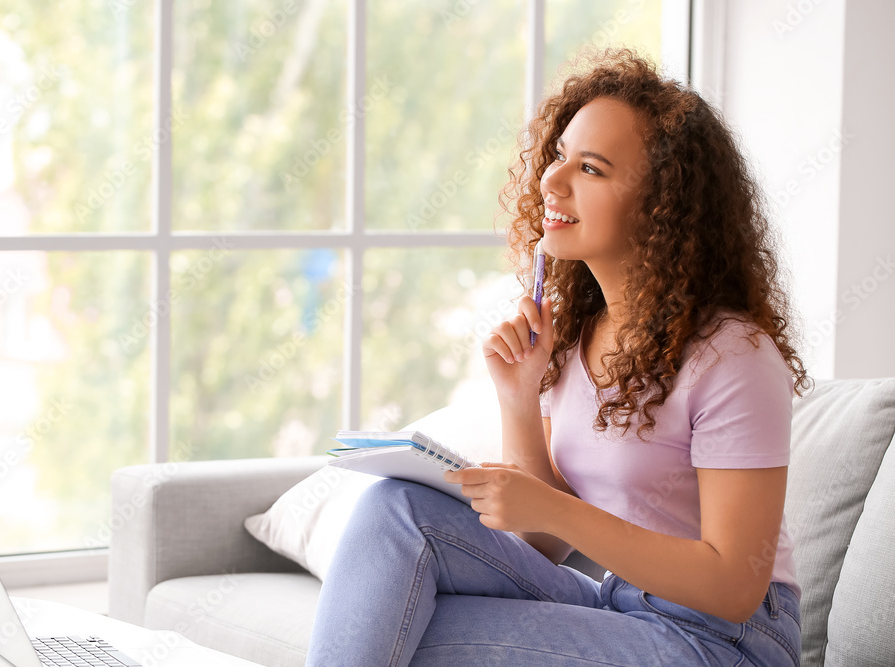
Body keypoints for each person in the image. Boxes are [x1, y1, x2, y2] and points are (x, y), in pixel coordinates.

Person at [306, 48, 808, 666]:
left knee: (394, 627)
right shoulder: (578, 336)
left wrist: (555, 509)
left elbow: (734, 587)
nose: (551, 179)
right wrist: (519, 398)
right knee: (396, 512)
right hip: (626, 607)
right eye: (559, 156)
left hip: (727, 642)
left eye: (591, 169)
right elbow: (541, 542)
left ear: (663, 205)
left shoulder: (733, 356)